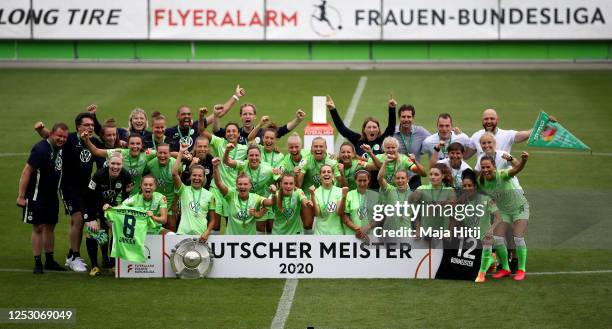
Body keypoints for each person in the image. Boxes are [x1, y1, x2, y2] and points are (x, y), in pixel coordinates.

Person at [37, 112, 103, 272]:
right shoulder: (70, 139)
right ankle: (74, 256)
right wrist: (41, 130)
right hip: (68, 187)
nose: (90, 127)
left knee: (83, 220)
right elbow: (53, 137)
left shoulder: (93, 142)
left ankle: (71, 256)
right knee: (78, 219)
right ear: (78, 127)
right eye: (86, 125)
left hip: (86, 189)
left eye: (92, 125)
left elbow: (102, 159)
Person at [17, 123, 69, 274]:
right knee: (38, 227)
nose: (62, 139)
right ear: (52, 134)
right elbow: (27, 171)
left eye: (65, 137)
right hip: (36, 195)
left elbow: (51, 136)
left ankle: (50, 260)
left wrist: (40, 130)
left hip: (52, 196)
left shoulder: (60, 148)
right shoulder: (40, 149)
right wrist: (21, 196)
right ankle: (37, 262)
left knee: (50, 226)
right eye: (59, 136)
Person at [478, 152, 531, 281]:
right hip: (504, 211)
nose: (485, 170)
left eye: (488, 167)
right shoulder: (481, 181)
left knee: (518, 237)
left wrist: (523, 160)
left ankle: (521, 269)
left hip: (520, 208)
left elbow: (517, 169)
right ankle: (506, 268)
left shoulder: (502, 175)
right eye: (483, 167)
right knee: (497, 238)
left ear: (494, 166)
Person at [86, 152, 133, 276]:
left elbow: (126, 197)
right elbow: (90, 197)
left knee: (115, 230)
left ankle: (111, 262)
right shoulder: (98, 175)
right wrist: (92, 218)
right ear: (108, 163)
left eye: (118, 164)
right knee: (93, 232)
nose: (115, 167)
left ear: (122, 164)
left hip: (111, 207)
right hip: (94, 205)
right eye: (113, 163)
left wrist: (120, 207)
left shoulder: (126, 176)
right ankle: (95, 266)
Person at [167, 85, 246, 151]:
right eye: (183, 114)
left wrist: (236, 97)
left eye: (188, 114)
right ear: (177, 116)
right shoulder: (169, 132)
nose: (186, 116)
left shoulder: (197, 125)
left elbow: (220, 112)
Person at [457, 170, 503, 283]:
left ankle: (481, 274)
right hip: (470, 240)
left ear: (475, 186)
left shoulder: (486, 199)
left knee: (487, 241)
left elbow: (499, 218)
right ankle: (492, 258)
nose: (467, 188)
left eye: (470, 185)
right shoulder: (461, 201)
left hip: (484, 237)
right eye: (464, 186)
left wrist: (491, 230)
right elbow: (459, 220)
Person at [224, 143, 280, 234]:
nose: (254, 158)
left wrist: (279, 173)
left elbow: (281, 181)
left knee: (270, 229)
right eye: (251, 155)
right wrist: (227, 150)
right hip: (245, 201)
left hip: (263, 201)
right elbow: (227, 162)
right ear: (247, 156)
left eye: (256, 155)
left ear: (260, 157)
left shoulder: (268, 169)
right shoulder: (243, 165)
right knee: (254, 230)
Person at [212, 158, 275, 235]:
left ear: (250, 186)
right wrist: (215, 167)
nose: (242, 186)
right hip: (231, 242)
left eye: (245, 184)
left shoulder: (256, 198)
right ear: (236, 185)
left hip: (249, 242)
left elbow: (271, 202)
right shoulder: (231, 195)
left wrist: (274, 194)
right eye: (240, 184)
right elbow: (219, 183)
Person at [84, 133, 156, 196]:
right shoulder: (120, 152)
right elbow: (96, 151)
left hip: (136, 196)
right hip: (118, 196)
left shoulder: (147, 154)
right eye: (132, 143)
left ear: (142, 145)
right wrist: (87, 140)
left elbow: (163, 153)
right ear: (127, 145)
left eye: (138, 144)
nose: (135, 146)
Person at [172, 144, 218, 242]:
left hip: (201, 236)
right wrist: (180, 152)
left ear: (204, 178)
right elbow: (174, 173)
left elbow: (213, 220)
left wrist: (207, 232)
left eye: (200, 176)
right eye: (194, 175)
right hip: (182, 234)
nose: (197, 178)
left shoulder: (210, 195)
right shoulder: (183, 190)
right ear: (190, 177)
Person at [327, 95, 396, 158]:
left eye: (374, 127)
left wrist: (392, 109)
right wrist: (333, 110)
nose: (372, 130)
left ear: (378, 130)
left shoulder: (383, 140)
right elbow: (342, 129)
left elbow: (391, 127)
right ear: (364, 130)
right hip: (361, 171)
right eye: (369, 127)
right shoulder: (358, 140)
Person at [214, 103, 305, 145]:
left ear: (255, 116)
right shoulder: (234, 133)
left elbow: (282, 130)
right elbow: (217, 131)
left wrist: (297, 120)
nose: (247, 116)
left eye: (250, 114)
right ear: (241, 116)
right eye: (245, 114)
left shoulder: (263, 133)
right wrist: (216, 116)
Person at [411, 163, 456, 239]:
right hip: (426, 234)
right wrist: (418, 230)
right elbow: (415, 212)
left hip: (443, 234)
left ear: (443, 176)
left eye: (436, 175)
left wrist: (449, 232)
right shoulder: (422, 189)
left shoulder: (450, 191)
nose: (432, 177)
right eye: (431, 174)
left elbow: (453, 215)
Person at [393, 104, 431, 188]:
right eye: (403, 117)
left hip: (414, 178)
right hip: (397, 179)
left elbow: (435, 140)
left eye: (409, 117)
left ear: (413, 118)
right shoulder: (392, 133)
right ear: (399, 118)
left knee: (415, 201)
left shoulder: (421, 132)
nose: (406, 119)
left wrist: (453, 134)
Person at [144, 143, 177, 231]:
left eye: (165, 153)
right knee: (155, 226)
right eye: (160, 153)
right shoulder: (150, 164)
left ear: (170, 154)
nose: (162, 155)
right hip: (157, 199)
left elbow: (178, 186)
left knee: (171, 226)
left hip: (171, 198)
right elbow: (143, 177)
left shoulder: (175, 164)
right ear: (156, 153)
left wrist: (175, 203)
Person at [309, 165, 348, 235]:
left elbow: (339, 212)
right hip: (319, 233)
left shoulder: (339, 191)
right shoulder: (315, 192)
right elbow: (316, 213)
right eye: (323, 172)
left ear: (333, 175)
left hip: (336, 233)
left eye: (329, 172)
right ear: (320, 176)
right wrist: (312, 196)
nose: (326, 174)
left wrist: (344, 197)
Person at [343, 170, 379, 239]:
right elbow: (345, 217)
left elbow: (379, 217)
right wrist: (357, 229)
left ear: (369, 181)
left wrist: (365, 228)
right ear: (355, 181)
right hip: (352, 235)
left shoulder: (376, 196)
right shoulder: (349, 195)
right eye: (359, 180)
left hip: (370, 236)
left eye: (365, 180)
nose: (362, 183)